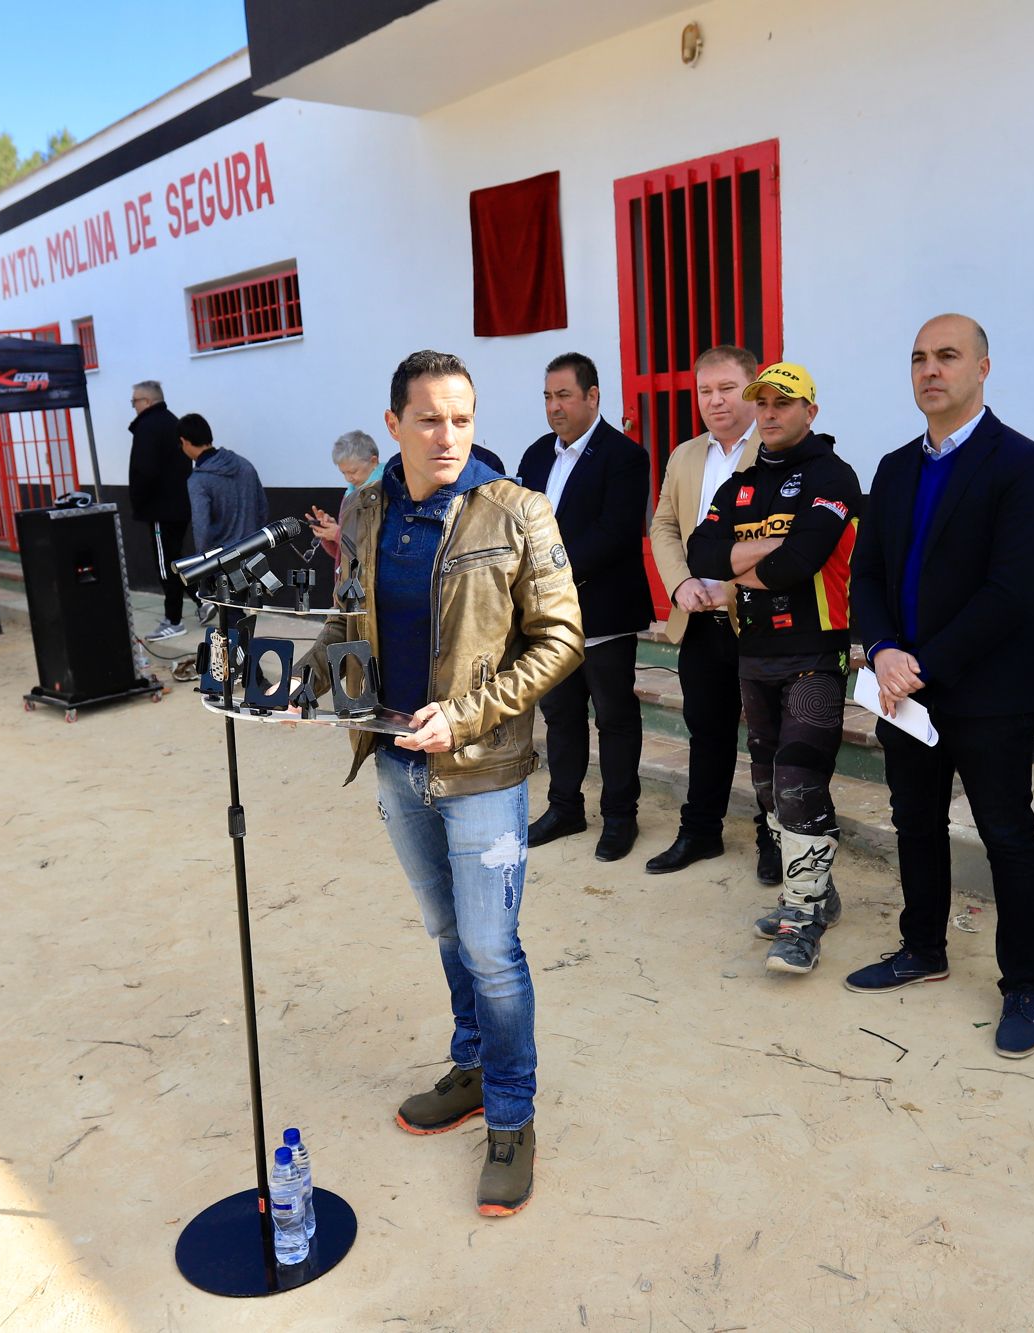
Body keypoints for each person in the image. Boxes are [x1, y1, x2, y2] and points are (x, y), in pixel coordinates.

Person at [300, 349, 582, 1217]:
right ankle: (471, 1063)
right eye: (429, 418)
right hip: (393, 760)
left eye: (462, 417)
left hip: (483, 766)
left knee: (494, 949)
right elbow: (353, 615)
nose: (449, 434)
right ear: (394, 424)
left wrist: (463, 715)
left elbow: (561, 639)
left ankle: (511, 1113)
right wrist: (305, 679)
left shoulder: (518, 510)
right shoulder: (366, 507)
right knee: (446, 929)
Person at [842, 315, 1034, 1058]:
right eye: (918, 359)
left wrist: (918, 662)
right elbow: (866, 571)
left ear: (983, 368)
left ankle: (1023, 983)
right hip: (902, 688)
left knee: (1006, 834)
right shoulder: (895, 466)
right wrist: (881, 649)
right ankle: (923, 947)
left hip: (987, 689)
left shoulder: (1023, 463)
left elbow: (1012, 592)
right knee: (915, 821)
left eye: (947, 356)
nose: (930, 370)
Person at [687, 362, 863, 975]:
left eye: (783, 403)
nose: (768, 412)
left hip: (817, 652)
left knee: (798, 781)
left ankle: (802, 917)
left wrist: (738, 559)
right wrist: (765, 551)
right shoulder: (741, 481)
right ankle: (817, 893)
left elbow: (803, 562)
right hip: (753, 653)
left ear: (810, 412)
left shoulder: (833, 475)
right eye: (760, 401)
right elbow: (698, 551)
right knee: (766, 786)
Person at [517, 352, 653, 861]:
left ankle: (620, 816)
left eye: (564, 396)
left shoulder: (624, 456)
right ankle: (565, 807)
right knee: (560, 714)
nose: (554, 407)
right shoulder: (534, 456)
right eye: (548, 397)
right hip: (547, 618)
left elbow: (615, 534)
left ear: (593, 397)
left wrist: (549, 574)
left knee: (615, 717)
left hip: (603, 611)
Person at [644, 344, 766, 875]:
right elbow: (664, 525)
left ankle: (776, 840)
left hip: (761, 619)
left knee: (770, 736)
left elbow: (787, 543)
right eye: (705, 391)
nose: (714, 401)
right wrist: (680, 582)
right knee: (706, 729)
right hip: (697, 618)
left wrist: (732, 589)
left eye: (727, 388)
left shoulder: (777, 448)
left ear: (754, 387)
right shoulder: (686, 454)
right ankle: (701, 831)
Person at [125, 381, 191, 639]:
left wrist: (140, 502)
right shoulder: (171, 421)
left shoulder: (148, 427)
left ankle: (173, 620)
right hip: (178, 505)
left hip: (160, 509)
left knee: (166, 564)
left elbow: (145, 470)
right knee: (178, 559)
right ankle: (203, 602)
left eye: (135, 402)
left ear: (148, 401)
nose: (134, 406)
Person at [180, 413, 269, 554]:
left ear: (184, 441)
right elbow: (263, 511)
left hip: (221, 562)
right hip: (253, 556)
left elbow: (202, 528)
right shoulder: (245, 465)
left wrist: (203, 563)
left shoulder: (198, 480)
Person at [305, 429, 383, 563]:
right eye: (343, 473)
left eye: (353, 471)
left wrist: (337, 534)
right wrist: (328, 532)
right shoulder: (350, 495)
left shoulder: (387, 492)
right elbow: (340, 554)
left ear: (374, 461)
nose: (348, 478)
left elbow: (380, 547)